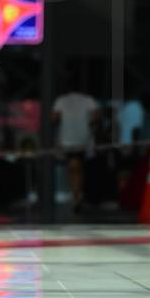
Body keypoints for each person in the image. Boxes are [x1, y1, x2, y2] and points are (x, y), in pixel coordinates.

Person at [52, 79, 100, 213]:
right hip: (83, 139)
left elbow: (54, 118)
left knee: (74, 168)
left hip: (68, 140)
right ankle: (77, 195)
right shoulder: (88, 100)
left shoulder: (61, 101)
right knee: (77, 168)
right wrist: (90, 126)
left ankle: (77, 195)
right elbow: (96, 117)